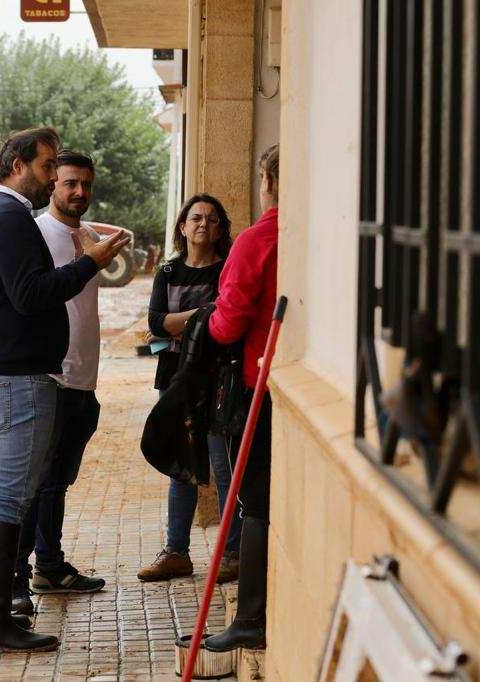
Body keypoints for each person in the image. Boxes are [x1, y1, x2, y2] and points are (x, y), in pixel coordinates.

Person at [0, 128, 130, 653]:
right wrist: (91, 263)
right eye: (48, 166)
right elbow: (31, 295)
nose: (54, 177)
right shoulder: (8, 217)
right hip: (16, 377)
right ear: (16, 162)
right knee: (8, 497)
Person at [12, 151, 110, 616]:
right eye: (70, 182)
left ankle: (48, 565)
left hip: (83, 379)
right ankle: (15, 579)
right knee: (31, 485)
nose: (79, 192)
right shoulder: (35, 233)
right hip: (51, 377)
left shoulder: (86, 235)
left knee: (56, 484)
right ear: (52, 183)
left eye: (86, 184)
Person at [137, 194, 242, 583]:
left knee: (222, 466)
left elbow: (225, 318)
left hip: (215, 380)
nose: (203, 224)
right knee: (180, 463)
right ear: (182, 226)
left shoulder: (226, 270)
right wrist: (202, 314)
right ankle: (177, 552)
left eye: (212, 220)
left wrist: (178, 322)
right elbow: (156, 321)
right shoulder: (167, 272)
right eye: (195, 218)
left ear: (220, 230)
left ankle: (233, 553)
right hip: (174, 377)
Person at [203, 145, 279, 653]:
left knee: (254, 502)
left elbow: (227, 324)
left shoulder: (258, 239)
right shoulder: (322, 230)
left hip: (259, 390)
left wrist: (206, 321)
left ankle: (250, 617)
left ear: (268, 179)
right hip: (288, 383)